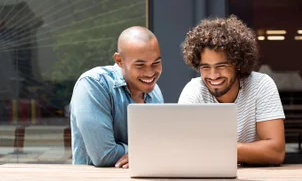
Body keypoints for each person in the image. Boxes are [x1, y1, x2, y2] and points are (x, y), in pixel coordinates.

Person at [178, 15, 285, 166]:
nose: (213, 75)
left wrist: (216, 148)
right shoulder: (194, 91)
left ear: (238, 64)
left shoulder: (261, 85)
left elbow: (276, 152)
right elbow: (183, 149)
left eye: (221, 66)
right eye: (205, 67)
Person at [70, 26, 163, 168]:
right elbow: (104, 155)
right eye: (140, 65)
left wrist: (151, 153)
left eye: (156, 63)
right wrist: (147, 153)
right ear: (119, 60)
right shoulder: (93, 84)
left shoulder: (155, 92)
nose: (150, 73)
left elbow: (160, 148)